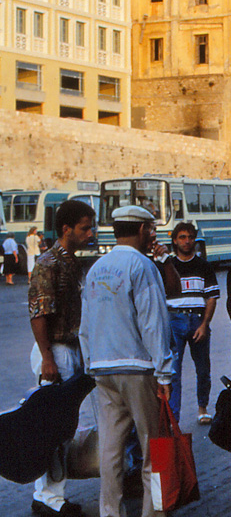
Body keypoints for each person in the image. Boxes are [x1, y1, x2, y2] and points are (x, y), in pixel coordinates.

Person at [79, 205, 174, 517]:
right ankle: (154, 512)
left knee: (110, 449)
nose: (153, 234)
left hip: (102, 369)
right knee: (154, 449)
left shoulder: (96, 269)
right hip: (138, 369)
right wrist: (164, 373)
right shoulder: (142, 266)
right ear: (143, 230)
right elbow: (153, 323)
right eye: (151, 228)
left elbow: (85, 327)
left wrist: (90, 363)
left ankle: (110, 512)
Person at [26, 199, 96, 517]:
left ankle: (53, 493)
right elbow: (39, 314)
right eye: (85, 227)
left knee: (64, 427)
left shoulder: (71, 261)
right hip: (55, 352)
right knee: (53, 428)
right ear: (66, 228)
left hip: (69, 351)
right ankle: (47, 498)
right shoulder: (48, 263)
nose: (91, 233)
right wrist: (47, 358)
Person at [165, 222, 219, 424]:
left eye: (190, 237)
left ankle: (202, 408)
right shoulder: (168, 266)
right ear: (174, 240)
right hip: (174, 320)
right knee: (174, 371)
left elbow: (212, 297)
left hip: (197, 320)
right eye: (182, 237)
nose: (186, 241)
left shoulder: (204, 266)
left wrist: (205, 324)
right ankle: (174, 417)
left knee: (203, 369)